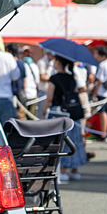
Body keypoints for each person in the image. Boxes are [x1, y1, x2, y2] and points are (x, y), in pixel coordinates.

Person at [41, 55, 88, 183]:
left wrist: (44, 112)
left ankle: (62, 171)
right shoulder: (72, 77)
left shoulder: (54, 78)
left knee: (60, 142)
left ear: (59, 62)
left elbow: (49, 98)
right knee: (75, 141)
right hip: (72, 114)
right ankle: (74, 170)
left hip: (58, 114)